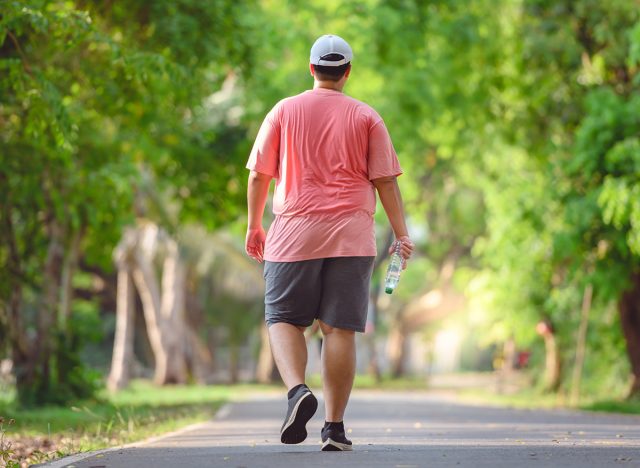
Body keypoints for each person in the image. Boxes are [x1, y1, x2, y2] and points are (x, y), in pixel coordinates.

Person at [245, 34, 414, 452]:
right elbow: (386, 182)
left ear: (312, 68)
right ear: (347, 72)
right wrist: (402, 233)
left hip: (293, 233)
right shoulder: (366, 116)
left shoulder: (283, 110)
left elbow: (257, 176)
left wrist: (254, 226)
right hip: (352, 236)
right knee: (339, 329)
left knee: (283, 318)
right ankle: (334, 429)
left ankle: (298, 391)